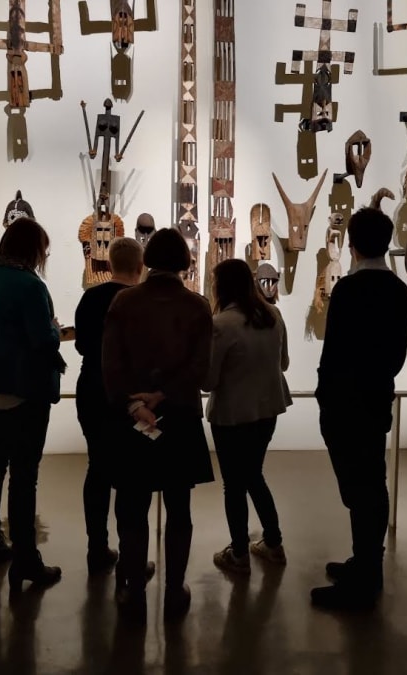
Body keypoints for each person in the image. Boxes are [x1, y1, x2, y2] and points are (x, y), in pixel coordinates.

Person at [102, 227, 214, 621]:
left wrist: (136, 403)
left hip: (134, 417)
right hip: (179, 414)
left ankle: (134, 590)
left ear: (148, 260)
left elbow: (110, 365)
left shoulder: (124, 301)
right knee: (179, 508)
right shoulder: (198, 306)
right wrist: (164, 393)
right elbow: (200, 370)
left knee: (132, 507)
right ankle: (174, 588)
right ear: (184, 260)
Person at [311, 207, 407, 610]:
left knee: (360, 488)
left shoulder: (349, 291)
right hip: (374, 398)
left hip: (345, 403)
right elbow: (395, 357)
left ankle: (366, 575)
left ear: (351, 245)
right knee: (372, 482)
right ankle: (367, 564)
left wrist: (325, 396)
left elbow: (334, 352)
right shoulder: (399, 291)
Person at [0, 217, 64, 591]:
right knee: (24, 475)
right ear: (32, 250)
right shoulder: (30, 285)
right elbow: (44, 341)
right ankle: (26, 558)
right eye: (43, 249)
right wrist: (54, 327)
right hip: (25, 388)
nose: (44, 256)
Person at [203, 258, 292, 575]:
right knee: (254, 475)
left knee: (234, 484)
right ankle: (273, 543)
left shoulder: (222, 324)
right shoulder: (272, 315)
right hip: (267, 410)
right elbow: (284, 363)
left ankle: (239, 552)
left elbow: (208, 381)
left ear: (221, 286)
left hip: (232, 414)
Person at [74, 237, 145, 574]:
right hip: (130, 394)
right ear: (140, 266)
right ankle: (130, 556)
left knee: (98, 468)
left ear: (110, 264)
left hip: (92, 388)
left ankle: (97, 547)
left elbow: (82, 346)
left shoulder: (90, 298)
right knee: (131, 475)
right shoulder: (139, 300)